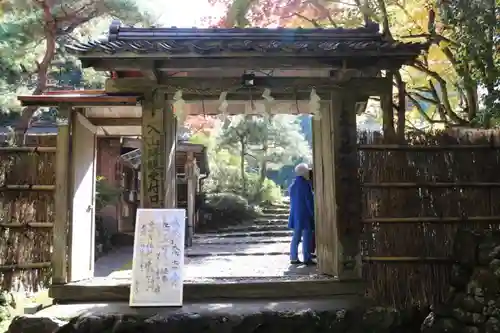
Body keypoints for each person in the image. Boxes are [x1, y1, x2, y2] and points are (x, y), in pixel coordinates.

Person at [288, 163, 315, 265]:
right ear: (305, 173)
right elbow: (309, 201)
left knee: (296, 237)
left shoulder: (293, 185)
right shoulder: (305, 185)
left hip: (295, 214)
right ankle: (307, 258)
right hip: (305, 214)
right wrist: (313, 213)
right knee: (307, 236)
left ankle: (293, 257)